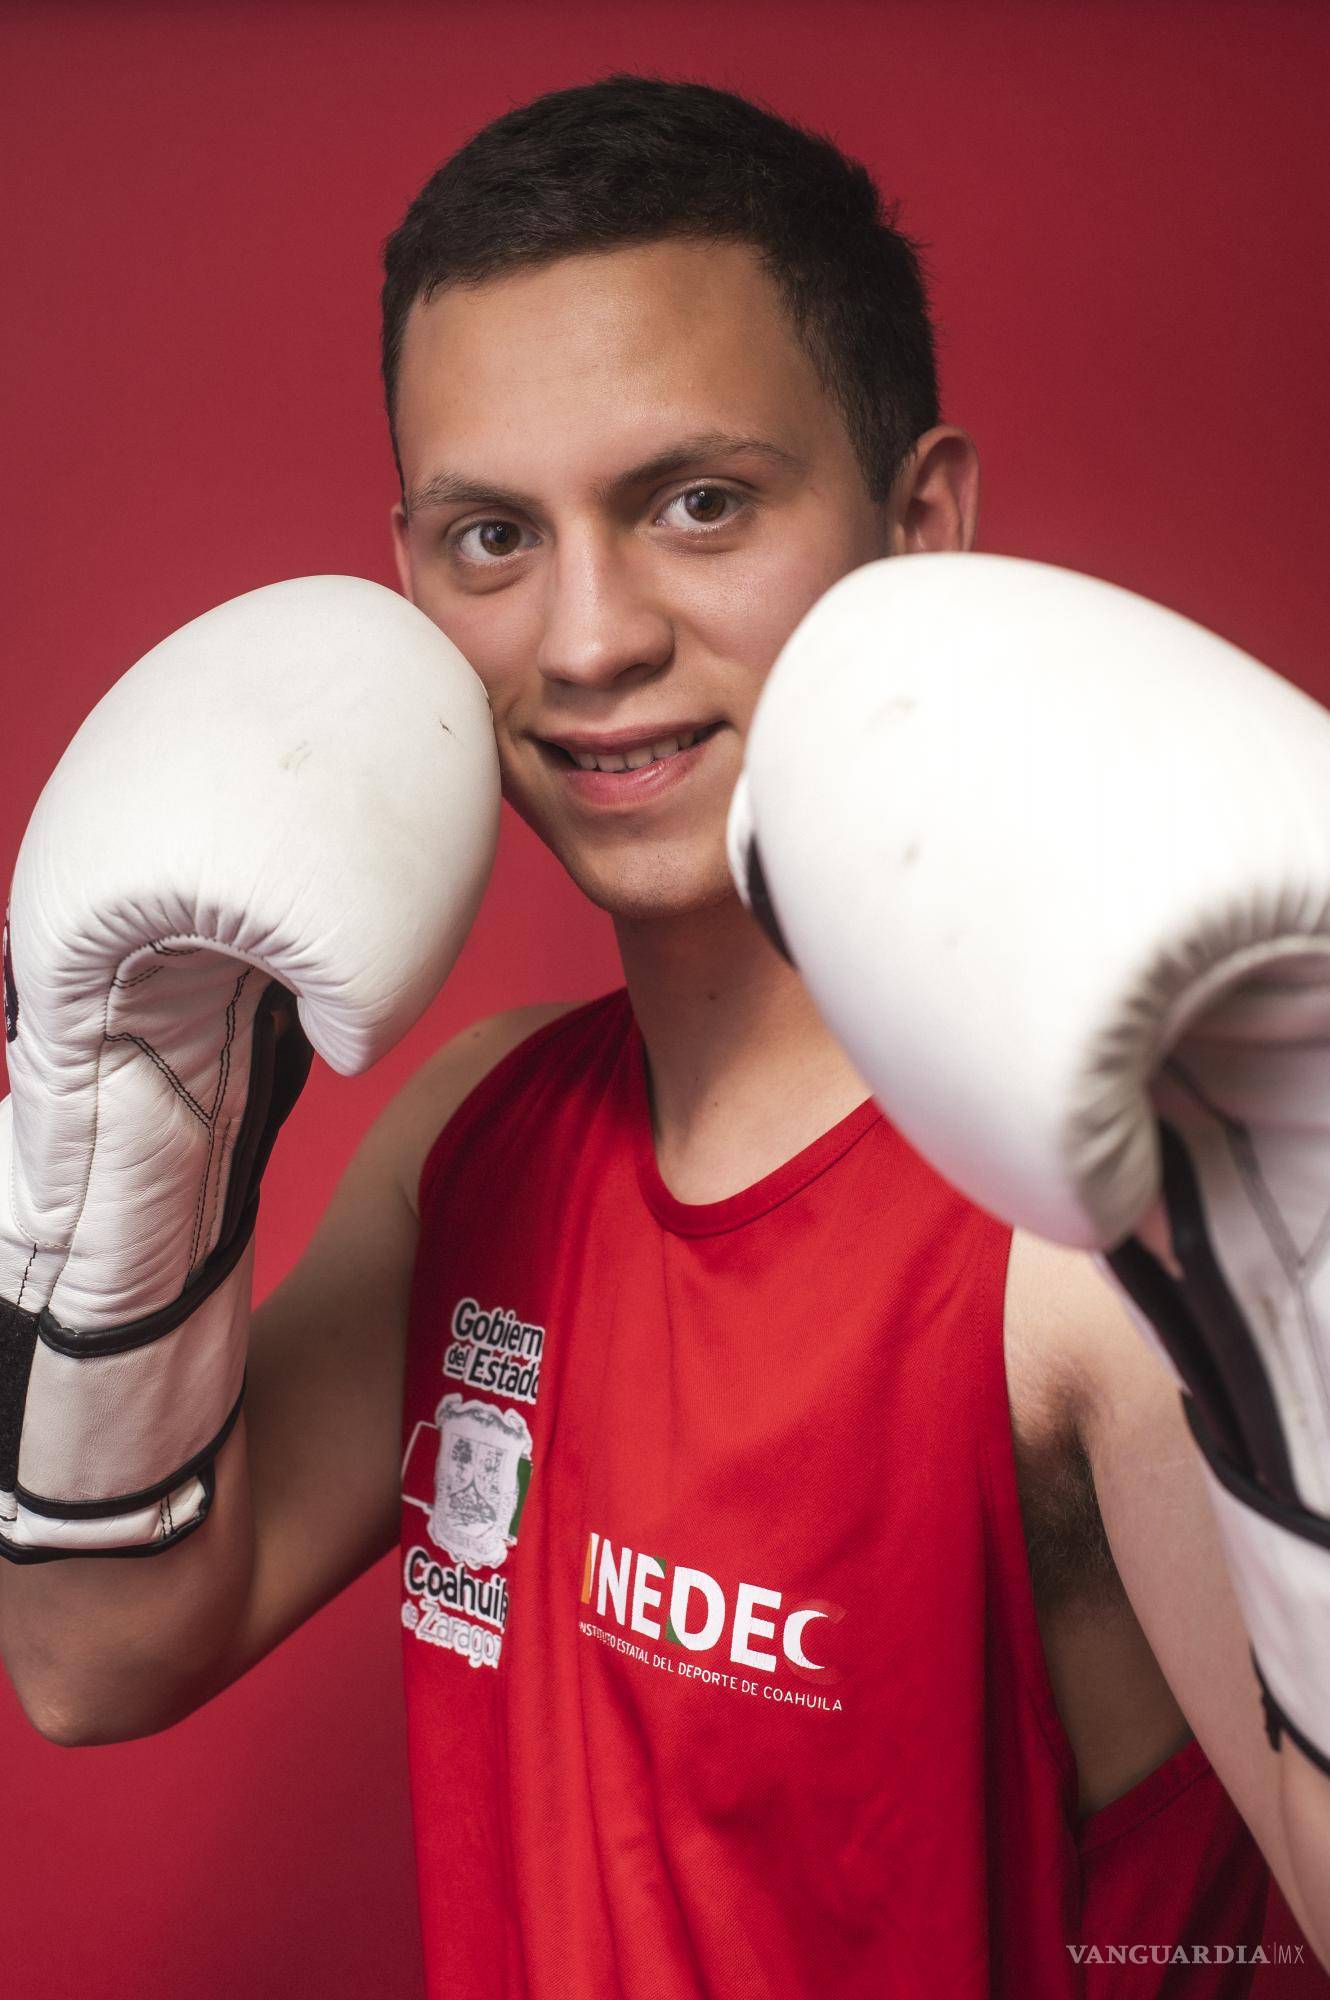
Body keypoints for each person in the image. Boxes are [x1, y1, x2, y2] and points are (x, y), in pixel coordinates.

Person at [2, 72, 1328, 1997]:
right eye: (488, 540)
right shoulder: (475, 1137)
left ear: (921, 523)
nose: (589, 637)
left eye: (696, 503)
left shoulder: (1075, 1253)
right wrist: (125, 1138)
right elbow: (86, 1661)